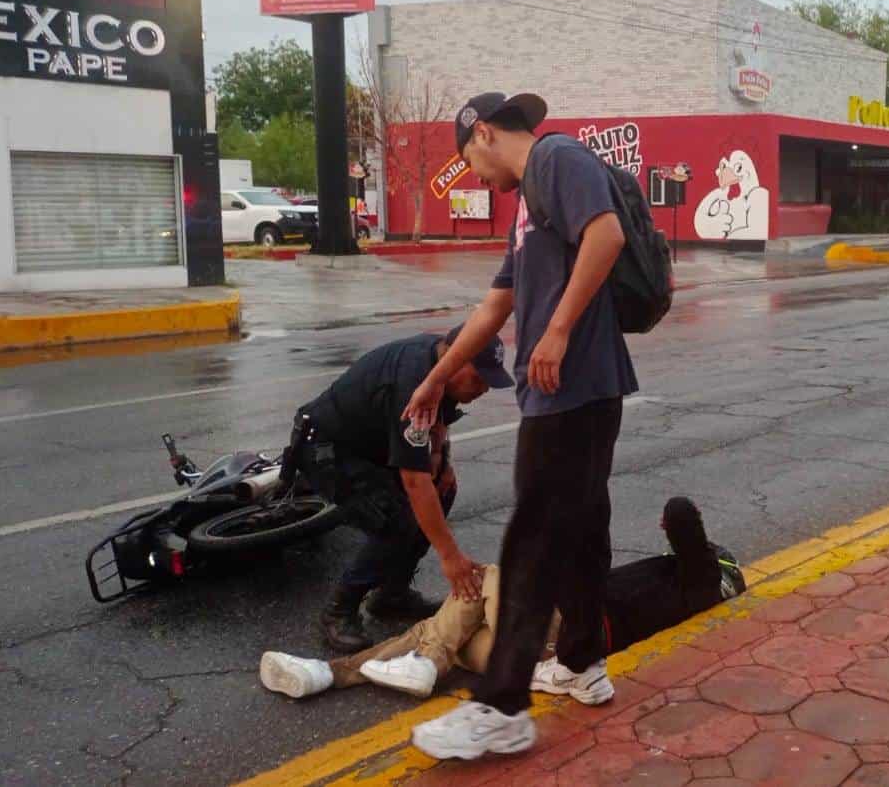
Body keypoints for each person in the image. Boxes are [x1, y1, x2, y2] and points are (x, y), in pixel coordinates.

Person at [400, 91, 638, 760]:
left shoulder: (556, 157)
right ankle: (583, 663)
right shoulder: (527, 204)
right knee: (583, 527)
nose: (473, 176)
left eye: (467, 160)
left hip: (573, 386)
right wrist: (437, 375)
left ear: (482, 133)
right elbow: (493, 306)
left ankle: (501, 706)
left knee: (532, 533)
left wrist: (558, 331)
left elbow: (607, 234)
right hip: (572, 391)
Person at [256, 498, 745, 704]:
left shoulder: (700, 583)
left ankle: (417, 663)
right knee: (442, 622)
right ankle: (327, 674)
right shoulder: (684, 591)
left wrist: (686, 532)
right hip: (527, 651)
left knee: (486, 575)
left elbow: (681, 511)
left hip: (559, 635)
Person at [298, 325, 514, 653]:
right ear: (455, 360)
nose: (484, 387)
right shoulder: (411, 382)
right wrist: (450, 557)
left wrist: (442, 460)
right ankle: (339, 609)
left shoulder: (437, 359)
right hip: (329, 447)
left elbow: (439, 417)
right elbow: (414, 481)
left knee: (443, 490)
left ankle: (391, 595)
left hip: (374, 444)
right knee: (395, 518)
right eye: (479, 377)